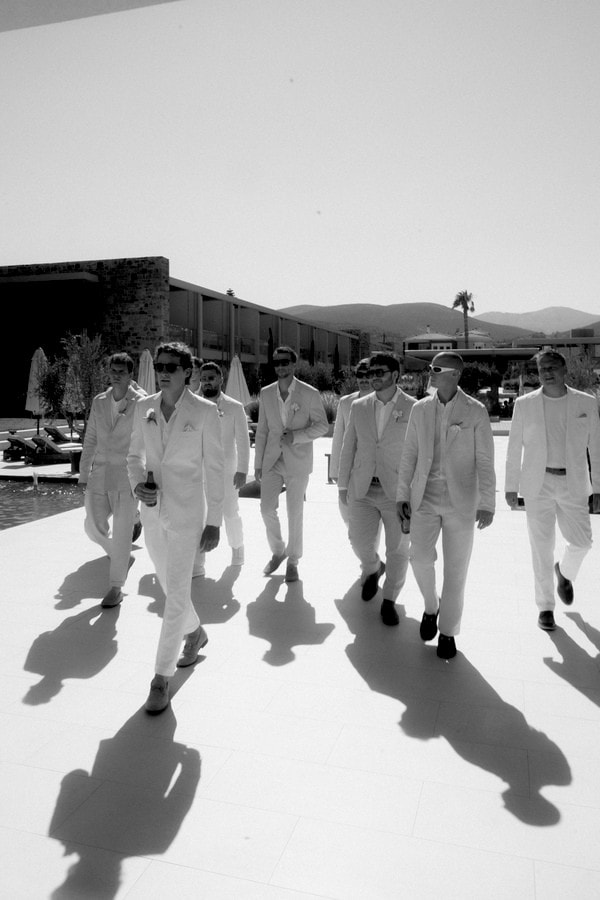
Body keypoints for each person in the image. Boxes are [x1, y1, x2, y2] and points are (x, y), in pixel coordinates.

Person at [127, 341, 224, 714]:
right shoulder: (144, 408)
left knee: (176, 594)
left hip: (187, 514)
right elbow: (134, 456)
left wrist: (214, 522)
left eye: (171, 367)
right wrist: (137, 484)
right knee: (169, 585)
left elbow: (215, 469)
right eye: (160, 366)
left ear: (188, 372)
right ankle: (195, 632)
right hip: (153, 511)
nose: (163, 372)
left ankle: (160, 678)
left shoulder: (205, 412)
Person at [396, 352, 495, 659]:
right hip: (424, 497)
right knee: (419, 557)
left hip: (461, 501)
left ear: (455, 374)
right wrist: (402, 495)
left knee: (456, 570)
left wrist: (488, 502)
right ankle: (431, 606)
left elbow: (485, 460)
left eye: (436, 369)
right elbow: (409, 453)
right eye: (431, 368)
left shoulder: (475, 411)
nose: (431, 372)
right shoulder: (420, 409)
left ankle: (448, 632)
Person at [505, 350, 600, 631]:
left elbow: (596, 448)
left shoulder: (586, 402)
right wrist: (511, 486)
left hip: (574, 483)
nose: (547, 372)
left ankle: (564, 572)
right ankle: (545, 607)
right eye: (542, 368)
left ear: (564, 369)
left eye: (552, 367)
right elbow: (513, 447)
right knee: (541, 548)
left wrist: (598, 487)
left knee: (583, 542)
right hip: (538, 484)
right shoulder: (524, 404)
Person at [338, 353, 416, 625]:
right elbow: (349, 446)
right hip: (362, 488)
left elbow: (420, 451)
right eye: (371, 372)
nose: (374, 377)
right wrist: (342, 485)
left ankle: (390, 599)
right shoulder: (358, 406)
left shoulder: (415, 407)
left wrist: (414, 491)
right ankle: (372, 568)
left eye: (380, 372)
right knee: (358, 540)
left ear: (395, 375)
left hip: (398, 492)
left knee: (398, 549)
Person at [254, 345, 328, 583]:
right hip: (272, 460)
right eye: (276, 363)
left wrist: (296, 437)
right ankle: (278, 551)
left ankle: (293, 560)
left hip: (298, 461)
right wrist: (258, 464)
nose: (280, 367)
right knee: (266, 509)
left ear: (294, 364)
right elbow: (262, 430)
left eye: (285, 362)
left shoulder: (309, 393)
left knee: (294, 513)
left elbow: (322, 426)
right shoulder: (266, 393)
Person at [78, 352, 145, 608]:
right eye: (113, 371)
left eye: (121, 372)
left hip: (127, 475)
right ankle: (122, 556)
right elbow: (91, 438)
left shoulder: (141, 402)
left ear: (130, 375)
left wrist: (146, 477)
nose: (116, 375)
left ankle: (116, 587)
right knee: (92, 526)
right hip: (100, 473)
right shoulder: (99, 401)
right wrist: (84, 473)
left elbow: (147, 441)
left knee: (122, 532)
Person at [194, 361, 250, 570]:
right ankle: (198, 561)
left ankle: (237, 547)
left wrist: (242, 470)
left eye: (211, 378)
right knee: (199, 514)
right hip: (197, 469)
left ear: (220, 379)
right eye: (203, 379)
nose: (207, 382)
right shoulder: (192, 404)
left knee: (229, 511)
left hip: (226, 470)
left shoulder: (234, 407)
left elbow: (243, 441)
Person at [329, 358, 373, 524]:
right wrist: (335, 471)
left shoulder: (383, 402)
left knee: (371, 524)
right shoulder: (346, 402)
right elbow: (338, 438)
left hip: (377, 474)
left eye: (368, 375)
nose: (364, 379)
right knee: (347, 517)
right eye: (360, 375)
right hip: (351, 471)